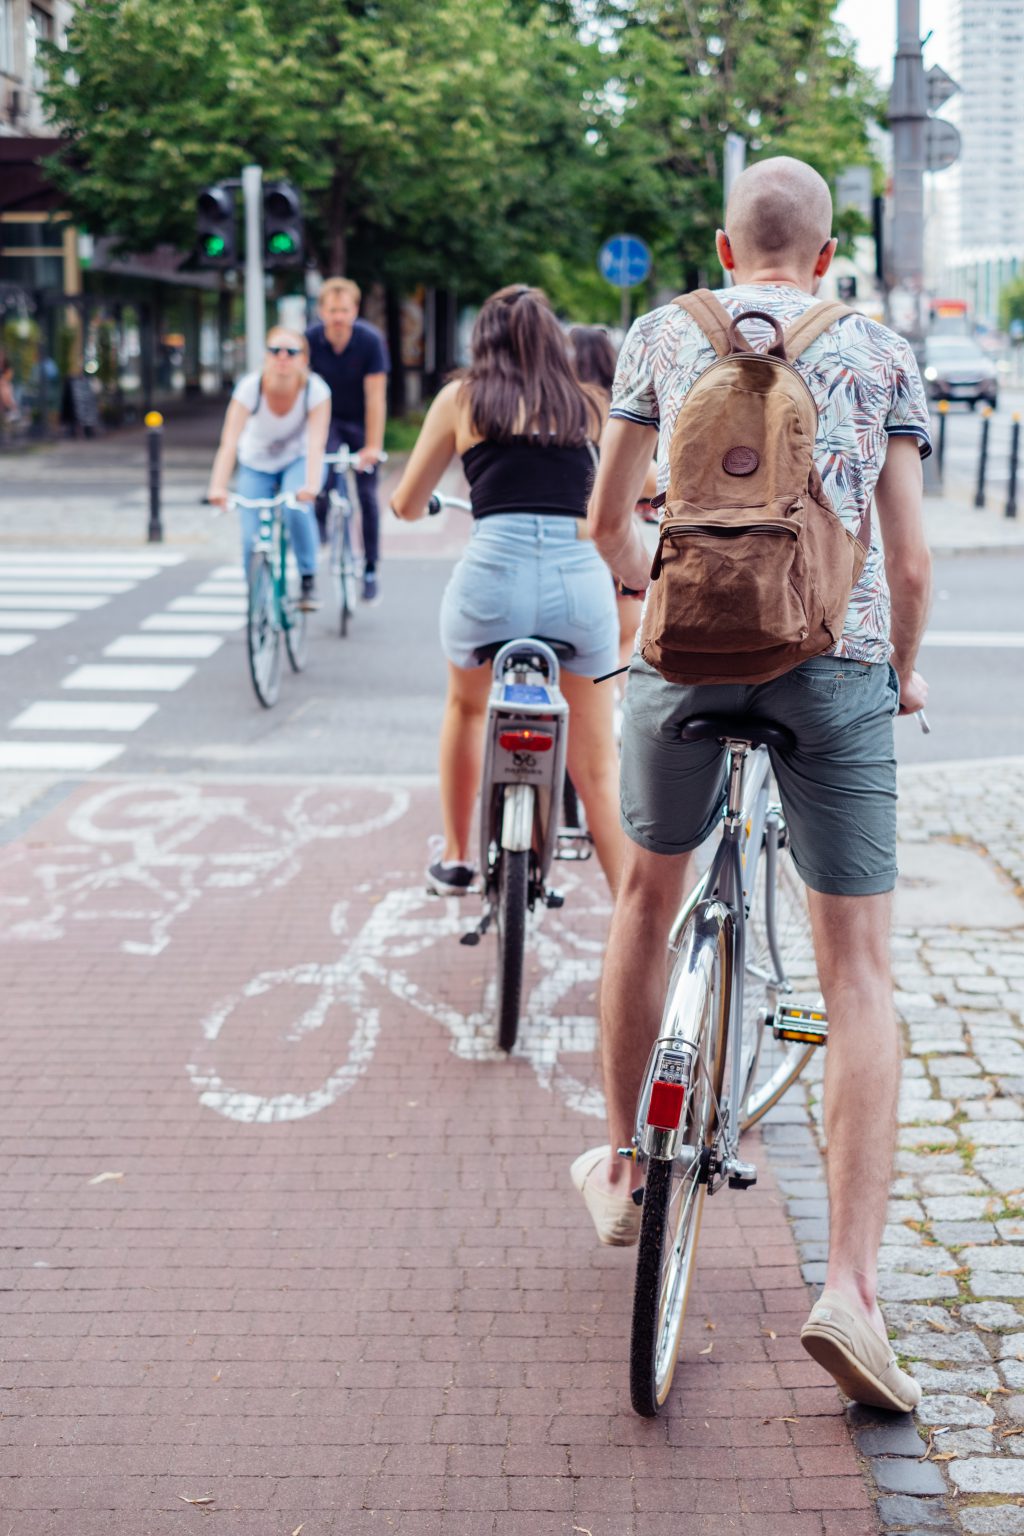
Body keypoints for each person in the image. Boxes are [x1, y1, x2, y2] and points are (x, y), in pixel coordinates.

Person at [578, 156, 933, 1414]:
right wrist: (898, 673)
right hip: (831, 661)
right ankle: (847, 1289)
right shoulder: (881, 350)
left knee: (642, 904)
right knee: (857, 972)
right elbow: (910, 559)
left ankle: (626, 1170)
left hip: (679, 664)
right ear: (826, 257)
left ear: (723, 252)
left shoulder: (657, 334)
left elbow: (605, 520)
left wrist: (660, 591)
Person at [389, 284, 623, 897]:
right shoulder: (592, 404)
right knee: (597, 768)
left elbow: (407, 502)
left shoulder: (461, 400)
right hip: (579, 587)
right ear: (555, 340)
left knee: (466, 709)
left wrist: (409, 506)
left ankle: (458, 855)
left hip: (489, 582)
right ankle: (637, 915)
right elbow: (641, 483)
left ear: (481, 340)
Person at [206, 327, 330, 609]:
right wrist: (217, 486)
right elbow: (229, 442)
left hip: (297, 460)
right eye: (275, 351)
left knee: (295, 507)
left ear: (304, 359)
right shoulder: (250, 387)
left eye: (291, 352)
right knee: (250, 534)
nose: (282, 358)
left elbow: (316, 444)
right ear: (266, 356)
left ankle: (308, 579)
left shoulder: (316, 390)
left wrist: (311, 486)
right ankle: (255, 596)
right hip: (256, 463)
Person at [569, 325, 658, 670]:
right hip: (607, 540)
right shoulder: (611, 408)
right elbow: (647, 479)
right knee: (627, 636)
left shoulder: (548, 408)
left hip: (560, 542)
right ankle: (617, 711)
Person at [307, 278, 389, 605]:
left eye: (344, 310)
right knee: (321, 476)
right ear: (321, 312)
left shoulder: (370, 341)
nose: (338, 317)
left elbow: (376, 397)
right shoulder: (310, 341)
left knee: (367, 494)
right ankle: (322, 524)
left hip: (359, 419)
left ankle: (370, 567)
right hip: (326, 420)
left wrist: (372, 445)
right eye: (332, 311)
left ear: (354, 311)